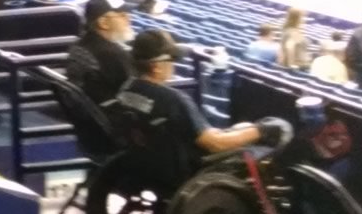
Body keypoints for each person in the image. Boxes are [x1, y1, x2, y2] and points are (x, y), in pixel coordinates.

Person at [109, 30, 283, 183]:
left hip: (145, 165)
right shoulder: (174, 100)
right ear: (156, 67)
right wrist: (262, 129)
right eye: (171, 60)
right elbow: (215, 144)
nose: (174, 65)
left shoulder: (125, 89)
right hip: (186, 170)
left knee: (241, 128)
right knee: (264, 144)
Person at [64, 0, 134, 105]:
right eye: (122, 16)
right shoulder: (113, 55)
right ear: (103, 23)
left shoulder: (79, 44)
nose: (129, 20)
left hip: (80, 110)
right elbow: (134, 92)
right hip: (104, 116)